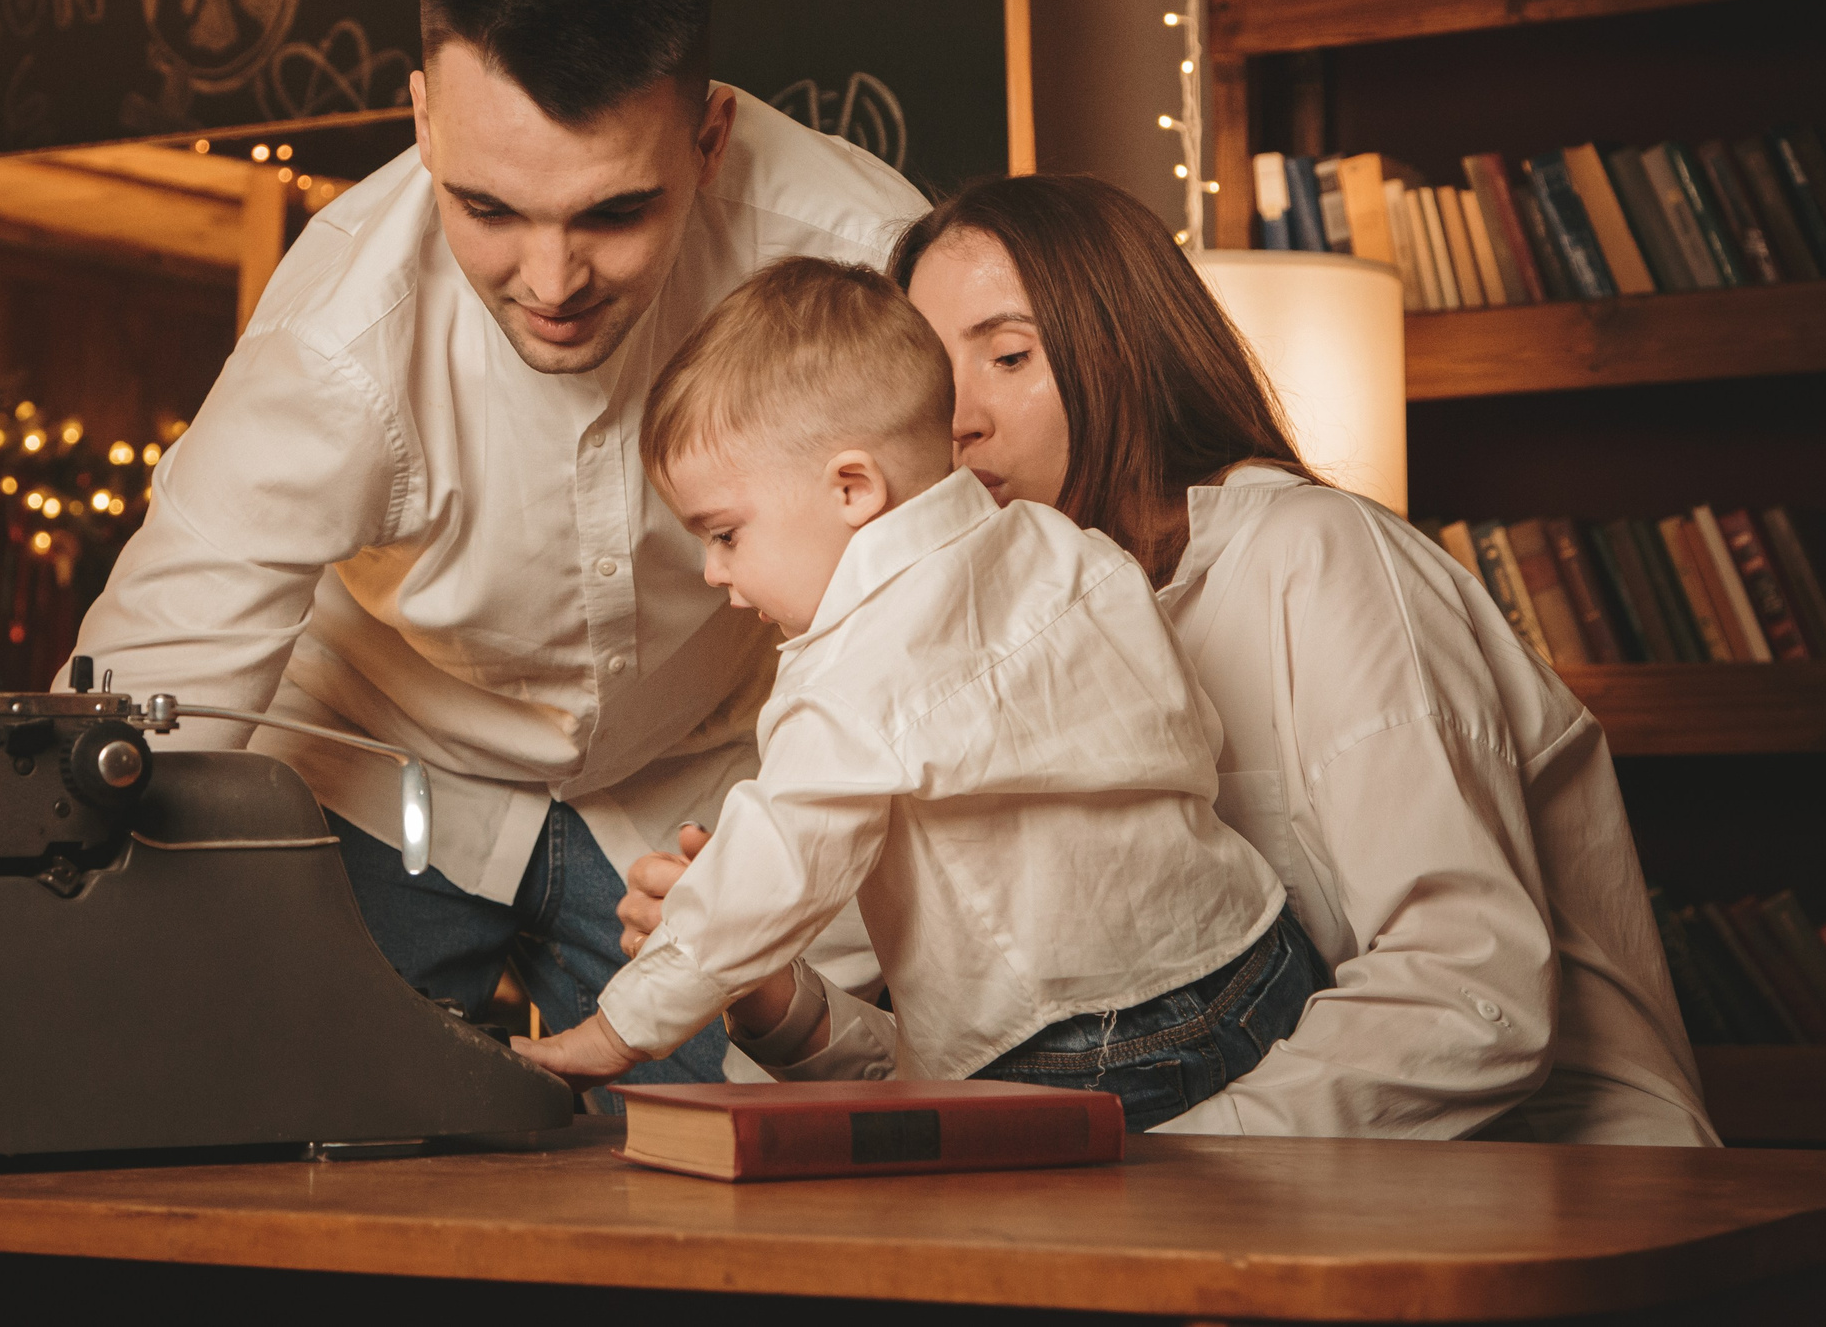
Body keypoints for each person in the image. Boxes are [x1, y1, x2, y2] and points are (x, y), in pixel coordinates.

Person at [619, 176, 1717, 1142]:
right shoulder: (935, 654)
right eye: (917, 371)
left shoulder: (1315, 555)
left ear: (1122, 350)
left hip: (1557, 1193)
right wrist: (774, 996)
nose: (952, 418)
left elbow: (1468, 996)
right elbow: (1006, 1066)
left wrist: (1147, 1168)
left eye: (1008, 355)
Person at [63, 0, 925, 1082]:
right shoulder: (334, 338)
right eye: (488, 210)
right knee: (315, 1156)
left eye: (615, 212)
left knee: (728, 1207)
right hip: (384, 766)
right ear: (421, 119)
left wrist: (809, 957)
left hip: (711, 783)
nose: (552, 279)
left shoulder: (865, 261)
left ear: (710, 138)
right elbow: (162, 671)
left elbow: (949, 613)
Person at [514, 259, 1323, 1130]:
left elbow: (774, 869)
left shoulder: (846, 671)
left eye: (724, 533)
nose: (715, 572)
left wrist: (613, 1029)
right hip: (1256, 958)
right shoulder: (1064, 547)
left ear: (853, 489)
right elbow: (1190, 729)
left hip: (1069, 1043)